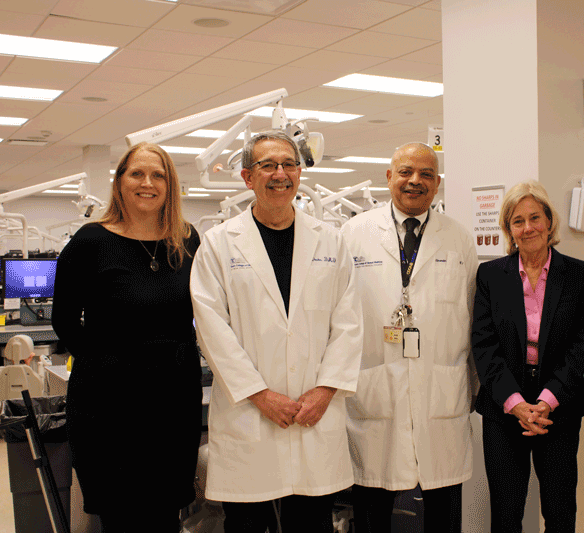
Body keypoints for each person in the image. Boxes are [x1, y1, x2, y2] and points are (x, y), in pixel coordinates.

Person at [190, 131, 362, 533]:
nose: (280, 174)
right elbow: (212, 328)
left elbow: (349, 322)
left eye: (289, 164)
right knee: (247, 522)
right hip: (250, 415)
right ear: (248, 177)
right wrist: (261, 395)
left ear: (300, 173)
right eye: (268, 165)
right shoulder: (219, 244)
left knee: (312, 522)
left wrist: (325, 391)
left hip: (313, 413)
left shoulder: (331, 241)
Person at [52, 142, 202, 532]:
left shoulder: (187, 240)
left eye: (158, 175)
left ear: (170, 186)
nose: (147, 183)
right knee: (121, 515)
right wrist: (107, 365)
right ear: (119, 183)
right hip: (108, 406)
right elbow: (64, 321)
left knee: (166, 511)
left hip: (173, 403)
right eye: (137, 173)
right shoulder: (90, 242)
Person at [341, 142, 478, 533]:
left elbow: (472, 319)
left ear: (437, 185)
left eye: (426, 175)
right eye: (405, 172)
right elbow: (340, 318)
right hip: (374, 389)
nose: (414, 181)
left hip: (441, 392)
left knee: (444, 505)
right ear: (389, 177)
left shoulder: (459, 239)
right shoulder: (353, 234)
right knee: (372, 502)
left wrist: (470, 384)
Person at [471, 181, 584, 533]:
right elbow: (484, 345)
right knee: (506, 512)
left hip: (559, 406)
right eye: (517, 221)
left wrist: (546, 401)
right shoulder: (491, 275)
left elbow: (579, 344)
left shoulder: (578, 274)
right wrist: (516, 403)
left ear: (549, 221)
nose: (528, 228)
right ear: (509, 230)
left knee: (559, 510)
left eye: (535, 217)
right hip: (504, 407)